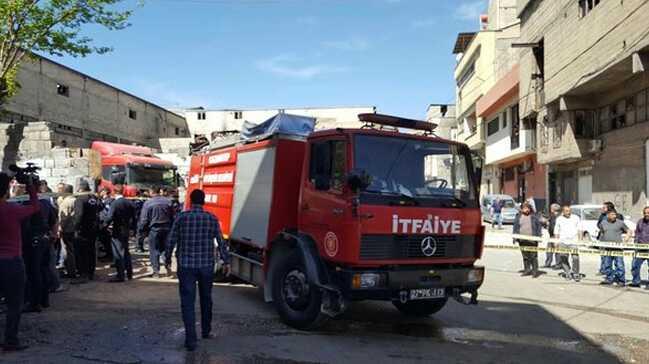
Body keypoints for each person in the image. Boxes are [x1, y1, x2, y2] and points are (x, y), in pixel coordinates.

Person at [166, 189, 230, 351]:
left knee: (187, 302)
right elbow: (221, 242)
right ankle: (206, 331)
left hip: (186, 266)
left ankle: (191, 340)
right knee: (206, 298)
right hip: (206, 266)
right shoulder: (211, 218)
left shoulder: (181, 217)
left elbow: (171, 239)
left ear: (190, 200)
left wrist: (167, 259)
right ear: (203, 201)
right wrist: (226, 261)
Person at [0, 172, 40, 351]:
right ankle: (10, 340)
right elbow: (35, 207)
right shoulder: (11, 210)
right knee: (14, 303)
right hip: (11, 262)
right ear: (6, 190)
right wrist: (31, 187)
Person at [21, 193, 58, 312]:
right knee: (43, 270)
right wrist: (53, 235)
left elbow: (23, 225)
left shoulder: (26, 203)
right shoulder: (46, 203)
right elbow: (54, 221)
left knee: (33, 272)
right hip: (44, 239)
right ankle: (44, 300)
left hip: (33, 241)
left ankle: (34, 303)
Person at [139, 186, 175, 278]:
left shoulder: (148, 203)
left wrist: (142, 230)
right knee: (165, 249)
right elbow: (173, 216)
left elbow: (144, 219)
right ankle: (168, 266)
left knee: (154, 250)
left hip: (154, 229)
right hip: (167, 228)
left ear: (151, 192)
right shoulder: (168, 201)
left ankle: (156, 272)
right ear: (160, 191)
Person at [103, 185, 135, 282]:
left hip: (117, 230)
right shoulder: (129, 203)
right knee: (126, 252)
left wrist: (104, 226)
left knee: (118, 253)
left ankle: (120, 275)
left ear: (114, 192)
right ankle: (129, 274)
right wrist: (133, 229)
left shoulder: (115, 203)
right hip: (126, 230)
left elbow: (109, 217)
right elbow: (134, 217)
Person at [72, 180, 102, 283]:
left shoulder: (80, 199)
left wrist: (75, 228)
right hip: (93, 228)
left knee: (81, 252)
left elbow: (79, 215)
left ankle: (83, 274)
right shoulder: (94, 198)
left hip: (83, 229)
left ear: (80, 188)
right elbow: (100, 208)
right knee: (91, 251)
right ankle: (91, 272)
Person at [599, 209, 631, 286]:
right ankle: (609, 279)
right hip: (606, 248)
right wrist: (601, 244)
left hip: (618, 248)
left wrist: (625, 240)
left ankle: (621, 280)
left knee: (619, 265)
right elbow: (602, 233)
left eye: (615, 214)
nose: (614, 216)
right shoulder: (603, 223)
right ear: (608, 215)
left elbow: (629, 231)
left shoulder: (620, 223)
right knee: (607, 264)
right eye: (612, 215)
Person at [513, 202, 543, 278]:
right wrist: (514, 237)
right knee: (525, 256)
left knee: (533, 256)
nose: (526, 210)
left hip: (532, 240)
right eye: (524, 208)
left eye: (527, 208)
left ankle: (535, 271)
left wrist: (539, 237)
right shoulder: (518, 217)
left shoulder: (534, 217)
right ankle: (527, 270)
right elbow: (515, 228)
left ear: (530, 209)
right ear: (522, 209)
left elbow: (539, 227)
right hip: (522, 240)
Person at [555, 205, 583, 282]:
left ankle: (576, 274)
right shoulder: (559, 219)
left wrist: (580, 240)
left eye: (569, 210)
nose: (568, 212)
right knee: (563, 258)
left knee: (575, 258)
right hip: (562, 241)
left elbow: (580, 229)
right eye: (566, 211)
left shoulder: (576, 218)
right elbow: (556, 230)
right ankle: (567, 272)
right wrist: (556, 242)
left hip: (574, 241)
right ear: (563, 212)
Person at [597, 202, 624, 275]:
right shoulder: (602, 216)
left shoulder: (618, 216)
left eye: (604, 207)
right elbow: (600, 226)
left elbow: (622, 228)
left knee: (619, 263)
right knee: (606, 260)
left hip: (616, 244)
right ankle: (606, 273)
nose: (602, 209)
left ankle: (619, 277)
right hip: (604, 242)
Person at [58, 185, 77, 278]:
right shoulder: (76, 200)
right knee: (72, 250)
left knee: (67, 251)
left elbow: (64, 218)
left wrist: (60, 229)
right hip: (74, 228)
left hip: (67, 230)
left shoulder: (65, 202)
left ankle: (71, 271)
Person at [631, 207, 649, 288]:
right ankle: (636, 281)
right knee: (635, 265)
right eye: (645, 213)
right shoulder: (640, 221)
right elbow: (637, 233)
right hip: (640, 248)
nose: (646, 214)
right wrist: (635, 243)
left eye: (648, 213)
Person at [98, 188, 114, 262]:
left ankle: (111, 256)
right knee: (104, 240)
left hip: (106, 224)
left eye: (101, 191)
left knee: (108, 241)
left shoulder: (109, 201)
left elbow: (108, 213)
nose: (100, 193)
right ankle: (108, 254)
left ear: (105, 192)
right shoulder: (103, 200)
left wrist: (107, 223)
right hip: (102, 223)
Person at [543, 203, 562, 269]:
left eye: (551, 208)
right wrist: (546, 223)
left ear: (553, 209)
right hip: (551, 236)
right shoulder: (552, 216)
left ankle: (558, 264)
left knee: (557, 250)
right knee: (549, 250)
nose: (550, 210)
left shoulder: (560, 217)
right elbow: (547, 224)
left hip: (557, 236)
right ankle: (548, 263)